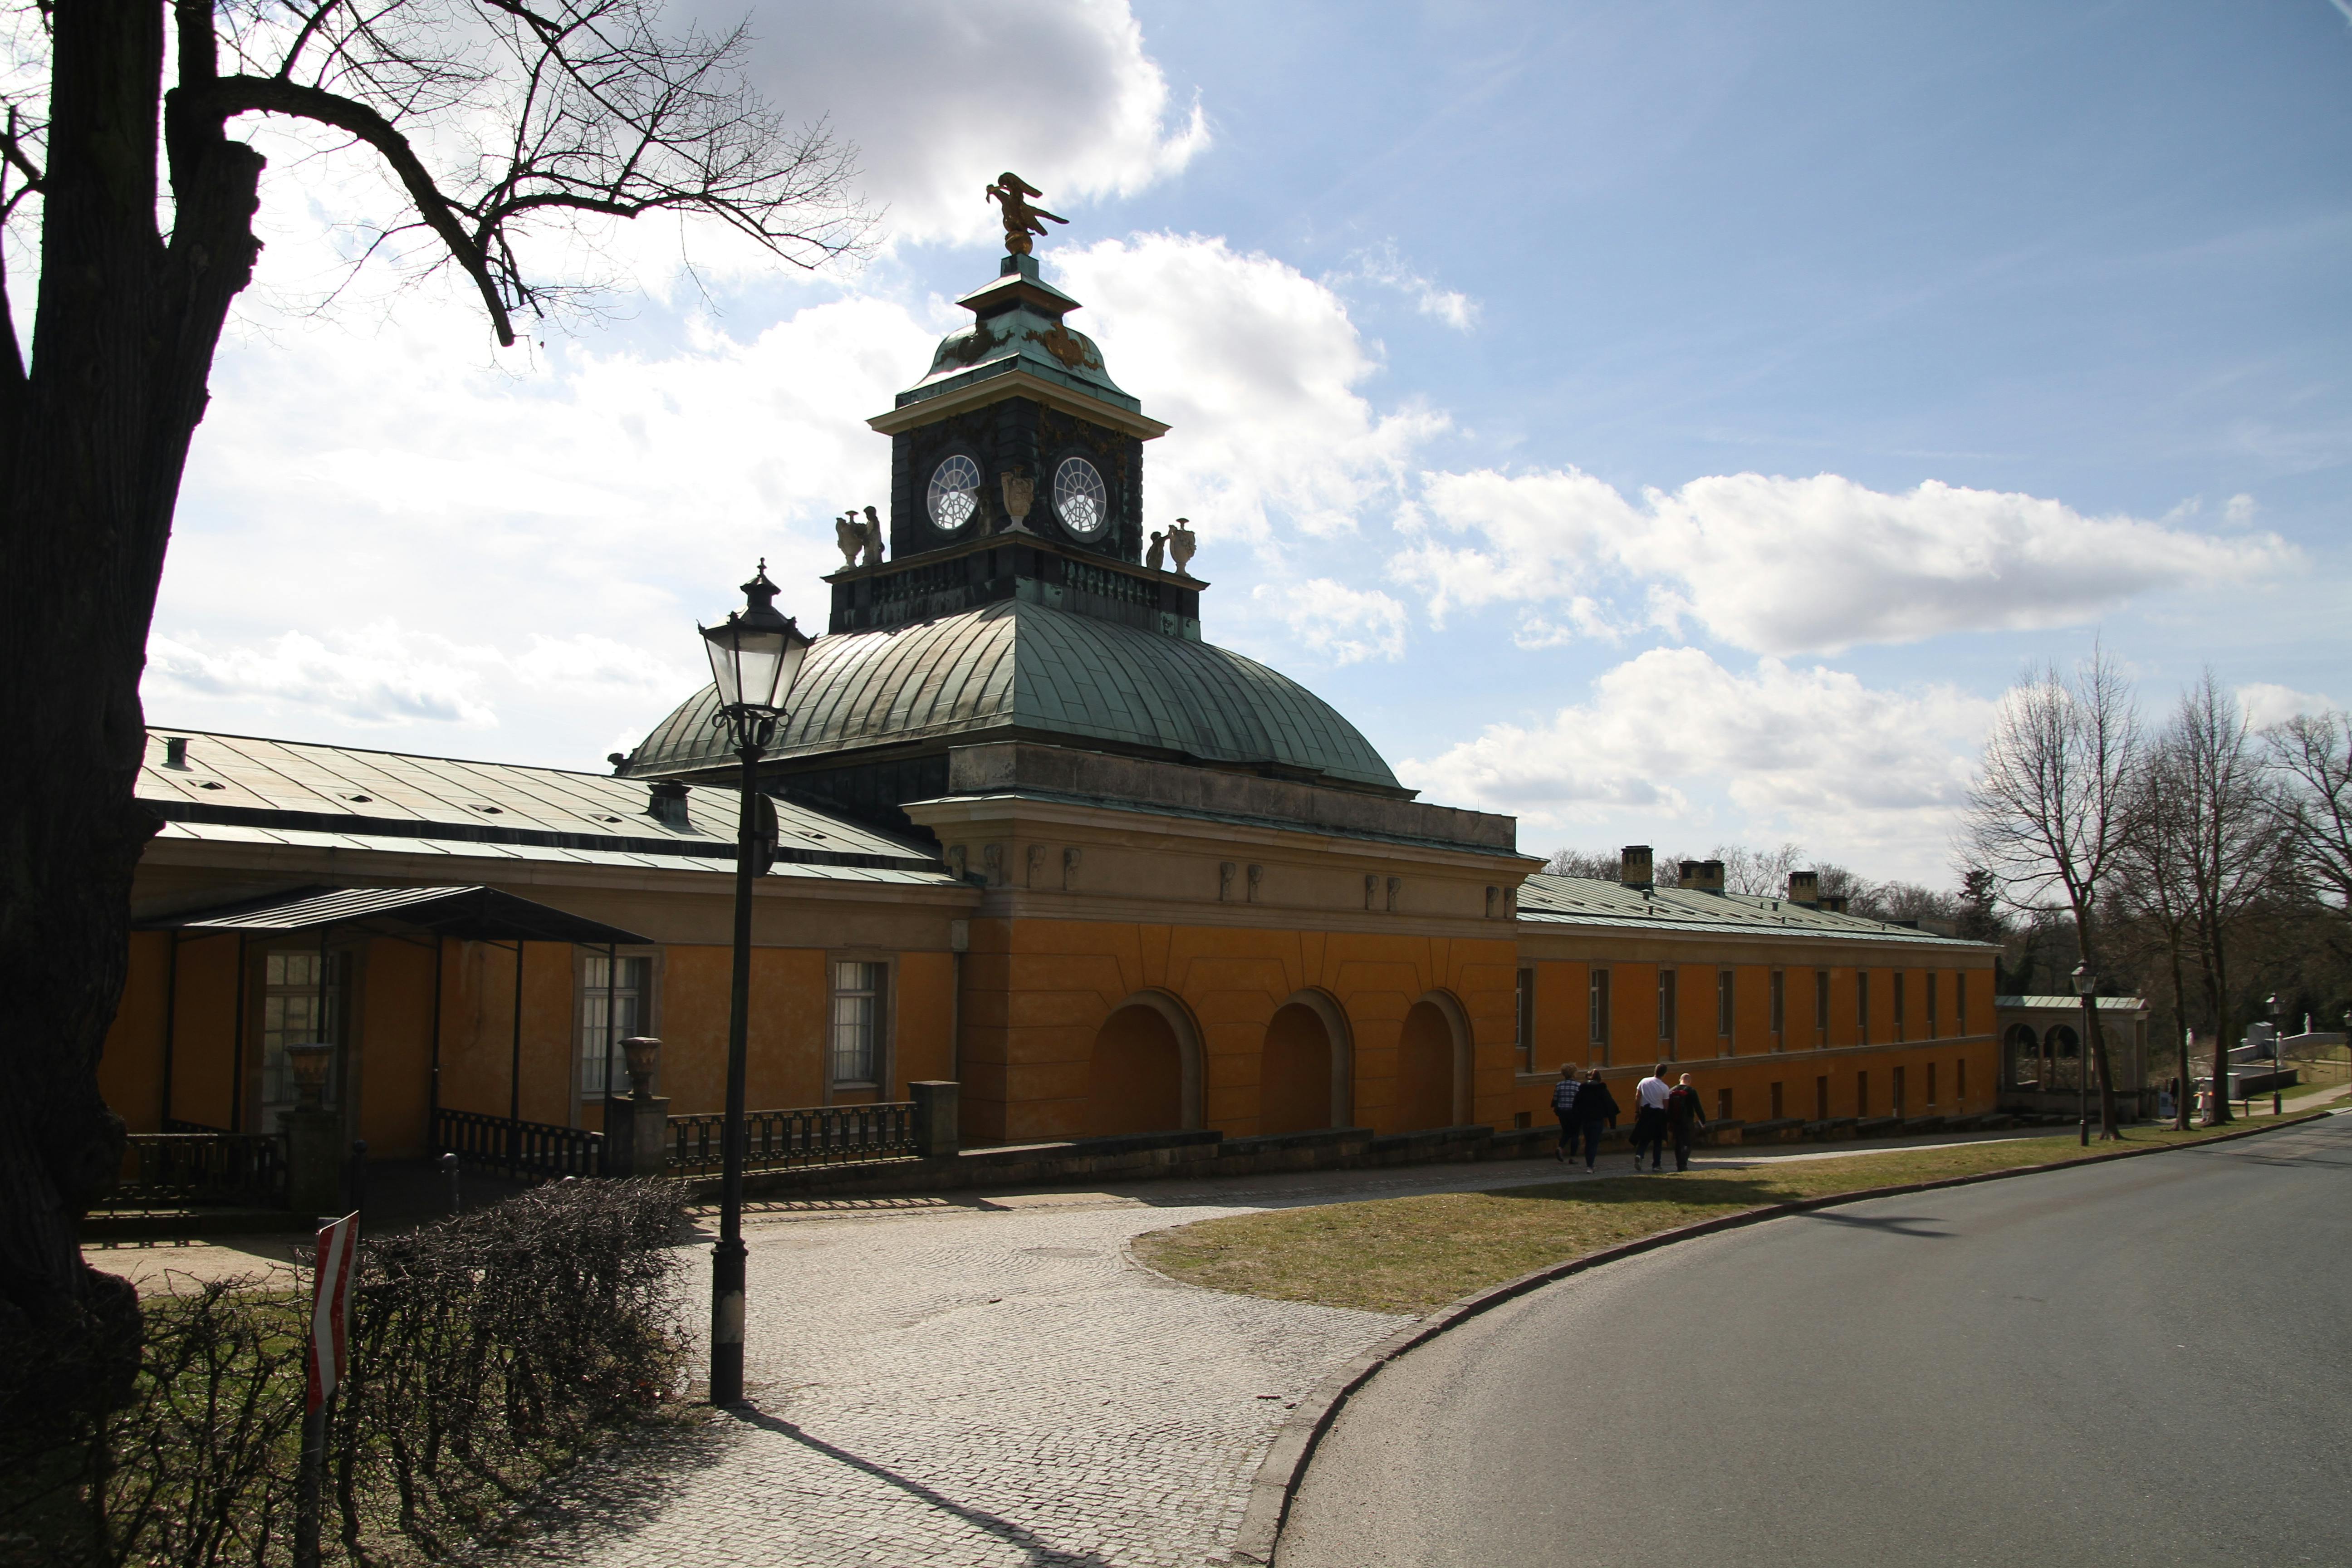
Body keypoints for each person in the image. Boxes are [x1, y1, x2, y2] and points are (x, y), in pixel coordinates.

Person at [1574, 1067, 1619, 1172]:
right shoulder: (1602, 1090)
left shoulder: (1582, 1090)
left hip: (1586, 1119)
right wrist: (1613, 1124)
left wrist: (1578, 1119)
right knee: (1594, 1143)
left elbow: (1576, 1105)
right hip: (1597, 1120)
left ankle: (1588, 1164)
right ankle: (1590, 1166)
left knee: (1588, 1141)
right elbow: (1610, 1106)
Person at [1632, 1063, 1671, 1172]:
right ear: (1665, 1074)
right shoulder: (1664, 1088)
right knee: (1658, 1141)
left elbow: (1638, 1096)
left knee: (1644, 1138)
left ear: (1655, 1071)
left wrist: (1637, 1111)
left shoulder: (1644, 1081)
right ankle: (1656, 1164)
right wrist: (1666, 1117)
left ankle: (1640, 1155)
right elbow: (1666, 1105)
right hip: (1658, 1114)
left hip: (1646, 1112)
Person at [1666, 1072, 1708, 1172]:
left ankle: (1679, 1164)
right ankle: (1682, 1164)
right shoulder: (1692, 1091)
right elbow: (1698, 1107)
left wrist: (1668, 1121)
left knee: (1678, 1143)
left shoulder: (1671, 1091)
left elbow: (1667, 1107)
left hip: (1675, 1121)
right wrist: (1703, 1121)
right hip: (1688, 1120)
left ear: (1679, 1080)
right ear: (1689, 1081)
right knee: (1688, 1143)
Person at [1549, 1065, 1581, 1162]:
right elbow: (1580, 1100)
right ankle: (1573, 1157)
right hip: (1574, 1113)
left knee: (1567, 1132)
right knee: (1575, 1134)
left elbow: (1555, 1100)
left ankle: (1560, 1147)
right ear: (1574, 1074)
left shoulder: (1559, 1085)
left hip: (1563, 1113)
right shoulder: (1578, 1086)